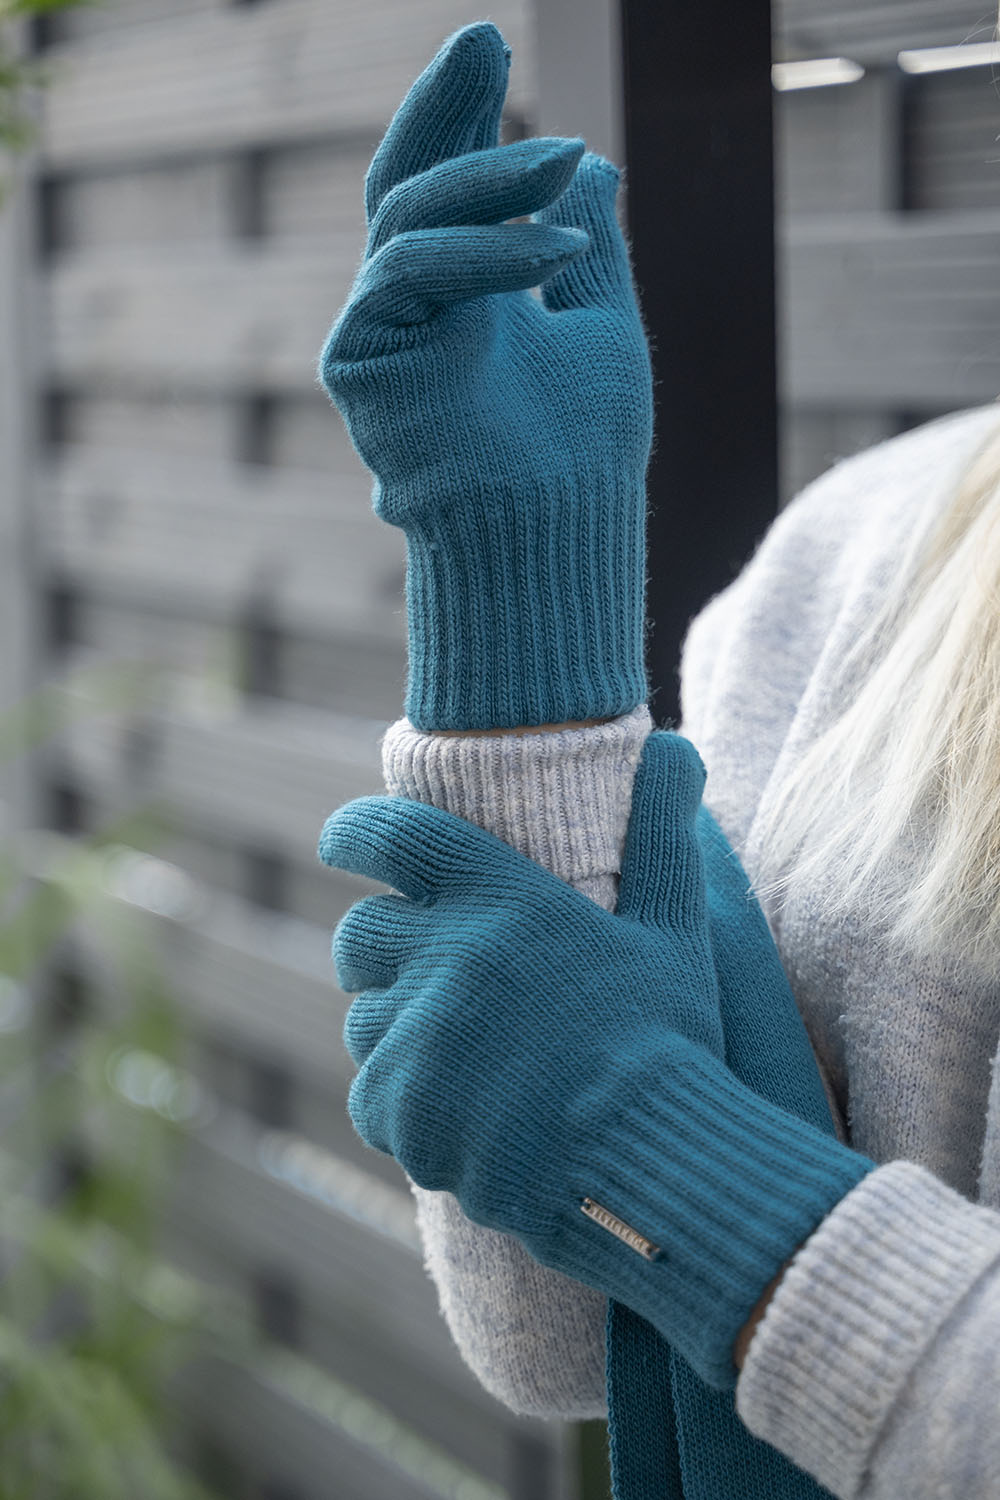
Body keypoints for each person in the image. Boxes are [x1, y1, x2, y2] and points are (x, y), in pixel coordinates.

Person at [316, 21, 1000, 1500]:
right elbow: (573, 1340)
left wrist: (688, 1177)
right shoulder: (865, 552)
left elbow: (665, 1202)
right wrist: (515, 612)